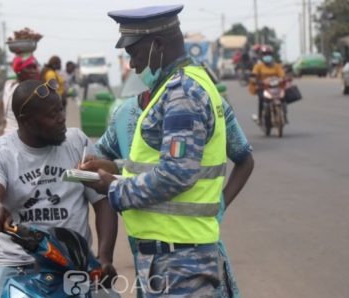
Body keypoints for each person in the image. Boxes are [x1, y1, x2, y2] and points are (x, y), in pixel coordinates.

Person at [81, 5, 254, 297]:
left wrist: (114, 188)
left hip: (180, 261)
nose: (133, 65)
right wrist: (113, 168)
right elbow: (159, 165)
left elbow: (176, 174)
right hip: (169, 258)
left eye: (134, 53)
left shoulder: (183, 93)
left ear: (158, 45)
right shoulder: (176, 89)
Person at [94, 83, 253, 297]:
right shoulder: (125, 114)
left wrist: (219, 205)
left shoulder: (201, 101)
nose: (134, 63)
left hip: (192, 249)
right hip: (145, 254)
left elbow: (244, 159)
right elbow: (104, 159)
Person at [0, 79, 118, 297]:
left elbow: (102, 200)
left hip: (72, 266)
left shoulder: (76, 142)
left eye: (61, 109)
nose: (62, 119)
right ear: (27, 122)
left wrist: (104, 258)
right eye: (52, 115)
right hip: (15, 264)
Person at [2, 55, 40, 135]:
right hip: (20, 138)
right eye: (29, 68)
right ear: (19, 71)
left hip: (8, 134)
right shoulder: (26, 92)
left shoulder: (8, 84)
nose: (34, 71)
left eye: (34, 67)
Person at [249, 45, 287, 124]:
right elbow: (253, 76)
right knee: (261, 100)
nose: (267, 56)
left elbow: (282, 75)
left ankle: (284, 115)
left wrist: (283, 79)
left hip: (276, 87)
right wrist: (257, 81)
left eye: (269, 54)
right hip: (263, 87)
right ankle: (260, 118)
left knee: (283, 98)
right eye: (265, 54)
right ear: (262, 56)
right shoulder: (258, 66)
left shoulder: (277, 66)